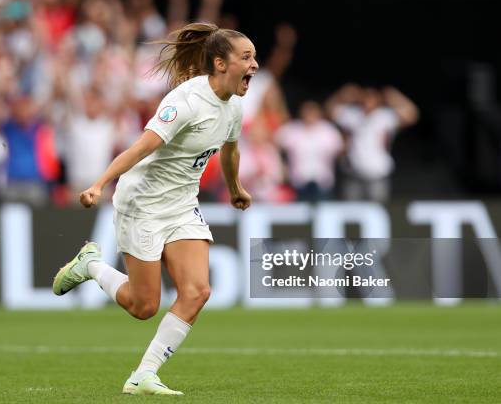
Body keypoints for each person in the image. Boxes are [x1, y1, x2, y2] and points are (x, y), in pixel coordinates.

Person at [52, 22, 257, 395]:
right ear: (220, 63)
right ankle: (90, 265)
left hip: (181, 205)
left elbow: (230, 149)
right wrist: (99, 184)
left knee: (197, 291)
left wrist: (235, 188)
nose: (254, 65)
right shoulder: (186, 102)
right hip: (142, 204)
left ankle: (143, 375)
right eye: (246, 57)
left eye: (254, 57)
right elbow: (141, 147)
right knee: (144, 306)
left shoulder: (235, 108)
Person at [325, 84, 419, 202]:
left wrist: (395, 97)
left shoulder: (385, 116)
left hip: (377, 173)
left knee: (378, 207)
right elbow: (328, 110)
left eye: (371, 98)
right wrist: (342, 95)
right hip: (353, 173)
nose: (367, 102)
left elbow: (412, 115)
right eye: (365, 98)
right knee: (351, 210)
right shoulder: (352, 114)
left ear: (378, 100)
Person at [276, 100, 344, 201]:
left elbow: (340, 151)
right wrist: (282, 165)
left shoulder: (328, 130)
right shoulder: (291, 129)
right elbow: (275, 145)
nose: (309, 115)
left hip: (322, 181)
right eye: (307, 112)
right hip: (298, 181)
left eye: (312, 112)